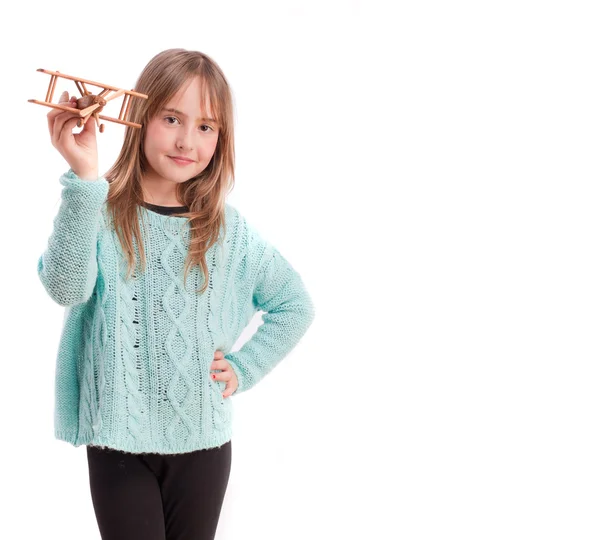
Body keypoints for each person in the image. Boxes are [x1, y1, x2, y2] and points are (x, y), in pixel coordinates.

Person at [37, 48, 316, 540]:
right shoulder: (99, 212)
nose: (188, 140)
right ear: (141, 119)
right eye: (172, 118)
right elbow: (64, 287)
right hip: (118, 443)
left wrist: (245, 367)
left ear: (220, 139)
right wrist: (84, 179)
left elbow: (294, 305)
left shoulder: (228, 230)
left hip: (203, 444)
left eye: (206, 126)